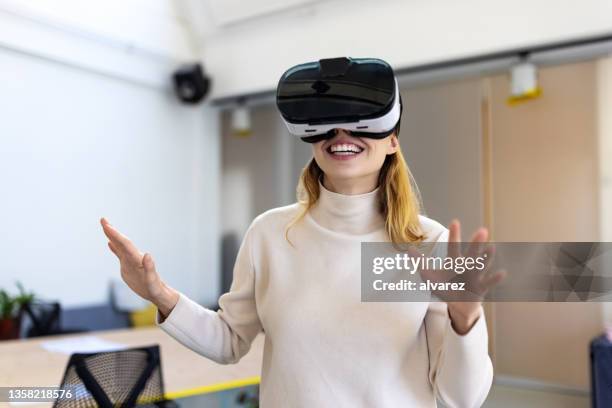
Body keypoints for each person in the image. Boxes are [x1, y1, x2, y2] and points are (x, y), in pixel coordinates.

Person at [100, 57, 503, 407]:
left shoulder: (429, 245)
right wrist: (159, 294)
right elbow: (228, 342)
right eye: (328, 126)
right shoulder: (270, 234)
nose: (341, 135)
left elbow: (460, 398)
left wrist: (465, 318)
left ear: (392, 141)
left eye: (357, 123)